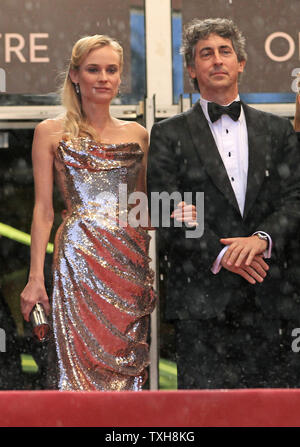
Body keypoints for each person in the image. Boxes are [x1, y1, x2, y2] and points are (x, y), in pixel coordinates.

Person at [148, 18, 300, 389]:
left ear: (241, 63)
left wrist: (260, 240)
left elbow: (295, 198)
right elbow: (163, 207)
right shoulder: (167, 133)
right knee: (201, 416)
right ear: (191, 69)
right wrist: (223, 254)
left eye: (225, 52)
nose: (217, 60)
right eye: (206, 54)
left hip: (270, 300)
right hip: (200, 302)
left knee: (272, 416)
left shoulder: (278, 131)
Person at [20, 34, 156, 391]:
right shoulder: (49, 132)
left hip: (128, 267)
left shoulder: (138, 134)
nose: (103, 78)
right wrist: (36, 279)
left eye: (111, 70)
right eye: (93, 69)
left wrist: (180, 212)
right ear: (75, 75)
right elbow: (44, 211)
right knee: (73, 372)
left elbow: (140, 210)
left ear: (120, 76)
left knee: (127, 372)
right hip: (77, 261)